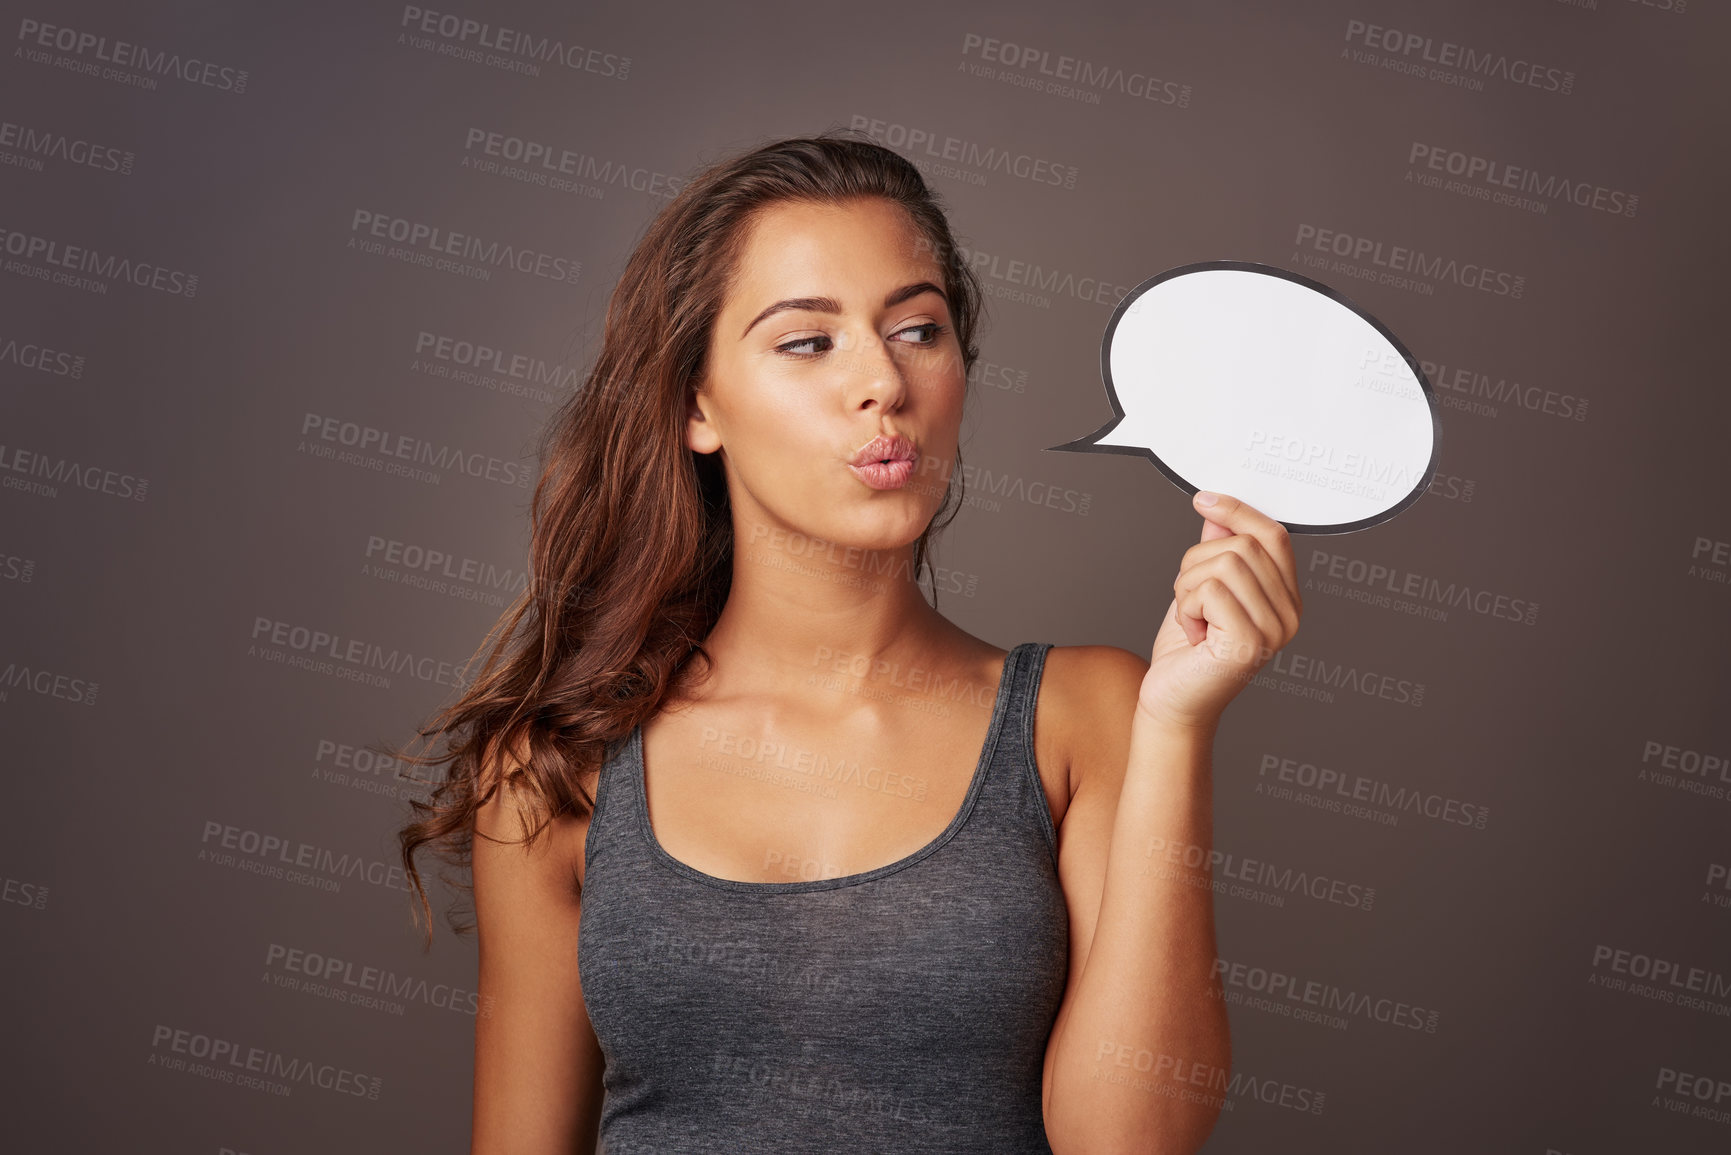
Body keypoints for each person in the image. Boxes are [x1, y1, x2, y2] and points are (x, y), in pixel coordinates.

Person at [394, 130, 1302, 1155]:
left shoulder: (1090, 717)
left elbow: (1130, 1144)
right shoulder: (560, 767)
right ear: (697, 403)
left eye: (918, 329)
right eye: (808, 341)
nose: (884, 383)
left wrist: (1178, 725)